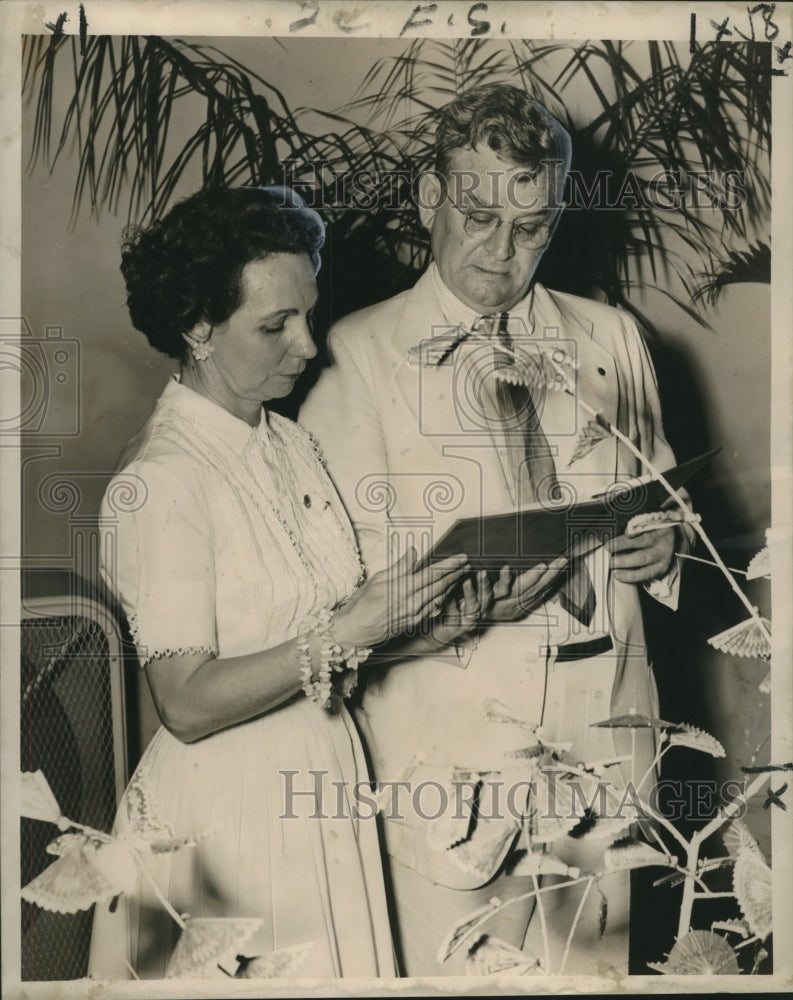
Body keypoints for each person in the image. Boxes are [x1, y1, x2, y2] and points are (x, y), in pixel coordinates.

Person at [300, 85, 689, 976]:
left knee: (594, 978)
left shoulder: (611, 338)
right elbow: (334, 591)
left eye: (529, 227)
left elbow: (665, 502)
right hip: (450, 760)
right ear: (429, 199)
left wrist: (663, 548)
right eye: (477, 215)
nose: (499, 251)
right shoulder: (355, 355)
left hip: (606, 743)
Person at [87, 185, 483, 980]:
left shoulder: (286, 441)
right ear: (198, 328)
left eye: (307, 311)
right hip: (225, 815)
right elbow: (188, 705)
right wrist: (349, 631)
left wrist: (415, 629)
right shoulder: (163, 481)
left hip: (322, 776)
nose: (309, 345)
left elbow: (316, 639)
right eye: (275, 325)